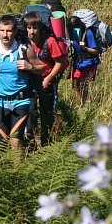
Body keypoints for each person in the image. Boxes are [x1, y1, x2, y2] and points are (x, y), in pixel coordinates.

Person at [0, 15, 45, 158]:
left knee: (15, 141)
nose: (5, 35)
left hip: (21, 101)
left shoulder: (24, 51)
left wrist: (29, 67)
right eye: (2, 31)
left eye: (9, 31)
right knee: (2, 145)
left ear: (15, 32)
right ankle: (6, 175)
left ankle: (18, 173)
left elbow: (42, 68)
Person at [24, 12, 67, 146]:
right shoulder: (23, 43)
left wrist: (48, 79)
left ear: (40, 28)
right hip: (29, 80)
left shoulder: (49, 41)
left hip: (46, 79)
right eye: (29, 28)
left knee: (47, 114)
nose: (32, 31)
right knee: (30, 113)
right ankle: (31, 145)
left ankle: (46, 144)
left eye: (35, 28)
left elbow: (59, 63)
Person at [69, 16, 100, 105]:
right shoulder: (71, 33)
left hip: (88, 62)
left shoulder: (88, 33)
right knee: (75, 84)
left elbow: (95, 50)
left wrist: (85, 48)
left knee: (83, 85)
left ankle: (87, 103)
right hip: (77, 62)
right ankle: (78, 104)